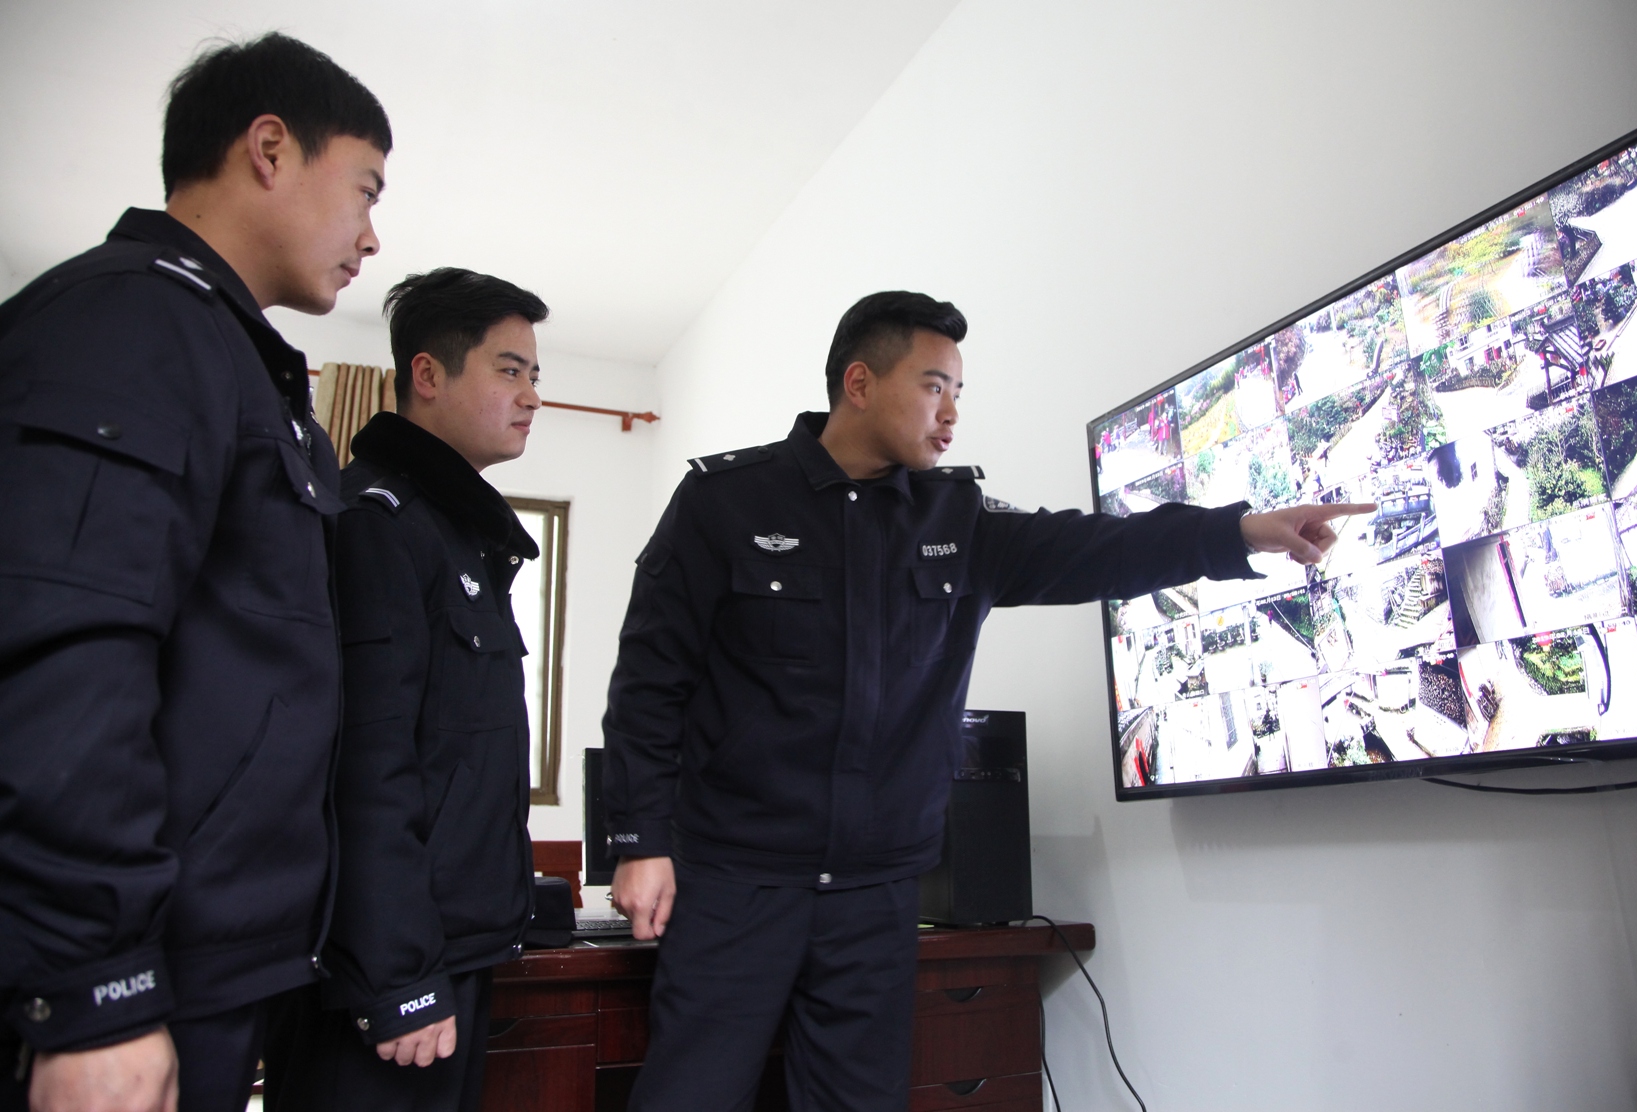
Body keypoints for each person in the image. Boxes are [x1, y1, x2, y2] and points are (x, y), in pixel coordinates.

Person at [600, 290, 1370, 1110]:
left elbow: (1099, 547)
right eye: (933, 385)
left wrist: (1239, 533)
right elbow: (649, 681)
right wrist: (641, 840)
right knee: (690, 1094)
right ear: (859, 383)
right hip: (734, 877)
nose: (951, 412)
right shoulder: (725, 502)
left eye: (958, 391)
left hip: (876, 889)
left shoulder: (957, 517)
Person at [0, 33, 390, 1112]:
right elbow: (66, 656)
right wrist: (94, 986)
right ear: (270, 148)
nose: (372, 235)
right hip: (126, 977)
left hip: (211, 961)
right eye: (364, 190)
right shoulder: (130, 319)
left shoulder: (241, 364)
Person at [265, 269, 547, 1111]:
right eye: (509, 370)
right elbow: (362, 767)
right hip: (390, 977)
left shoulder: (457, 533)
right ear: (427, 374)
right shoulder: (375, 524)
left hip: (452, 951)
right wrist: (398, 976)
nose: (531, 396)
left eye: (535, 376)